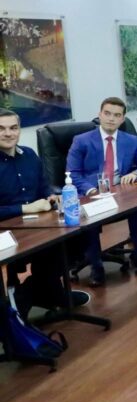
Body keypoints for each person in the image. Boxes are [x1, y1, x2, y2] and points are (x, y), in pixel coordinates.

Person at [0, 109, 89, 315]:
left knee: (79, 234)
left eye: (13, 128)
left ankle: (41, 289)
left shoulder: (29, 155)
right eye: (1, 129)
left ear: (19, 130)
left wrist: (51, 196)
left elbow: (44, 187)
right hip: (7, 230)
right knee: (48, 246)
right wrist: (24, 208)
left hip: (37, 223)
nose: (8, 133)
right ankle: (34, 293)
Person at [66, 97, 137, 285]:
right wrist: (91, 190)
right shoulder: (81, 141)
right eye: (107, 113)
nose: (111, 118)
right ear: (99, 115)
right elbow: (72, 174)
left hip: (120, 191)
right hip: (92, 194)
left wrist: (136, 173)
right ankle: (96, 266)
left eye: (116, 115)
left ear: (122, 119)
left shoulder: (130, 140)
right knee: (90, 218)